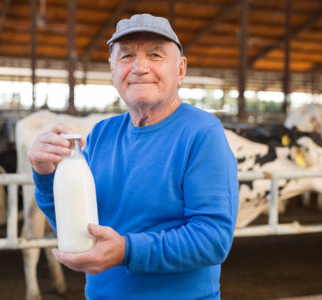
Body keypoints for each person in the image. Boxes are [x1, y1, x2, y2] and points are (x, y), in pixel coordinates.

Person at [29, 13, 239, 299]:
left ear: (180, 69)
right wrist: (44, 174)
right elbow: (74, 223)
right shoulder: (102, 134)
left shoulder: (201, 133)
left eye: (155, 54)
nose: (140, 67)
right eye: (126, 56)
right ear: (112, 69)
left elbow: (213, 240)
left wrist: (127, 251)